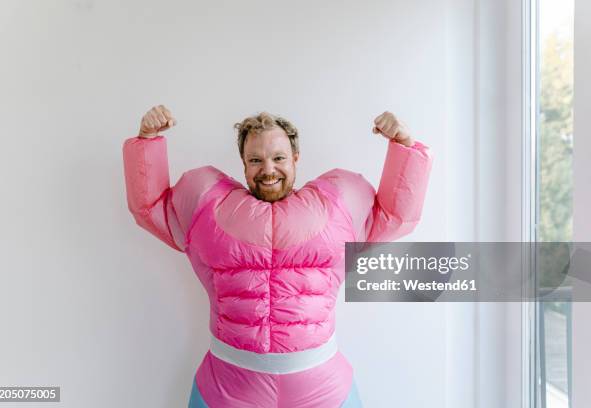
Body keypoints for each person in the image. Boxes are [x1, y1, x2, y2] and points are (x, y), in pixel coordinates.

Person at [122, 105, 433, 407]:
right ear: (243, 164)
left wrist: (404, 144)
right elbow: (151, 209)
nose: (268, 169)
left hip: (321, 388)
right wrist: (147, 139)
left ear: (295, 158)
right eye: (256, 159)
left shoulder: (337, 206)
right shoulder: (209, 206)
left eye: (279, 157)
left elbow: (395, 214)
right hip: (229, 387)